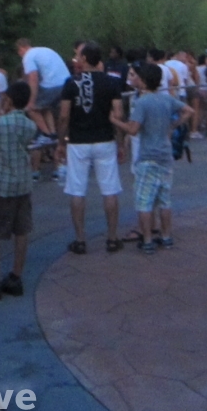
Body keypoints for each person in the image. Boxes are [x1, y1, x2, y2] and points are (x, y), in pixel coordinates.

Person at [110, 63, 192, 254]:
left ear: (144, 80)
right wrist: (174, 125)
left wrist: (114, 121)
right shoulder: (166, 99)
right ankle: (166, 236)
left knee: (144, 201)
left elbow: (133, 129)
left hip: (147, 156)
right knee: (164, 200)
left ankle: (147, 239)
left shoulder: (142, 103)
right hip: (165, 155)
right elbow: (189, 111)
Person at [56, 42, 125, 255]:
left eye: (78, 56)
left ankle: (80, 240)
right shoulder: (112, 82)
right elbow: (118, 114)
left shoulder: (71, 83)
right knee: (110, 189)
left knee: (77, 190)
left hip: (78, 141)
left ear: (85, 59)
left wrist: (60, 142)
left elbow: (64, 115)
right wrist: (120, 141)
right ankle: (112, 238)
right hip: (105, 139)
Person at [0, 82, 38, 301]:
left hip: (0, 184)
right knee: (21, 230)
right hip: (22, 184)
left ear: (9, 100)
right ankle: (16, 276)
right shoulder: (30, 126)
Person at [16, 39, 71, 147]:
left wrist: (31, 102)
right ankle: (52, 134)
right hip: (67, 82)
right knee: (45, 107)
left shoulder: (28, 56)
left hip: (52, 85)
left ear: (21, 49)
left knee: (33, 109)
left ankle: (46, 134)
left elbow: (33, 79)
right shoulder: (44, 50)